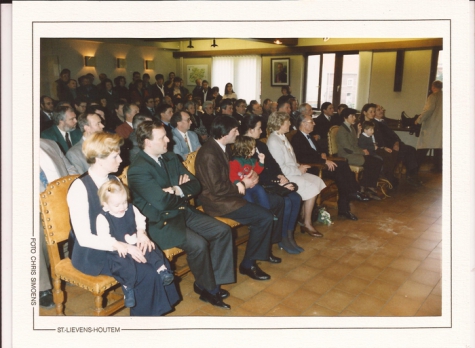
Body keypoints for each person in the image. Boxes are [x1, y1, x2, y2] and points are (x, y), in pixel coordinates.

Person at [67, 132, 178, 316]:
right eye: (115, 156)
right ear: (99, 159)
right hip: (94, 252)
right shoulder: (79, 188)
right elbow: (84, 238)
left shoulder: (114, 180)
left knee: (159, 263)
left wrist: (142, 233)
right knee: (145, 273)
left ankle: (155, 316)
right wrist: (125, 246)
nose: (121, 160)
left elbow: (131, 214)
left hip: (122, 242)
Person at [127, 120, 234, 309]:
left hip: (182, 211)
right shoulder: (138, 169)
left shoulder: (170, 158)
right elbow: (161, 203)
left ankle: (208, 282)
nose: (168, 140)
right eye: (162, 138)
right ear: (147, 142)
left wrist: (176, 189)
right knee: (198, 244)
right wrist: (181, 192)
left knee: (223, 231)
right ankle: (210, 290)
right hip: (160, 222)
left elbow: (195, 184)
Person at [195, 115, 284, 281]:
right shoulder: (209, 154)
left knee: (277, 202)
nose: (238, 133)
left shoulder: (224, 146)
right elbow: (216, 189)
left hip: (232, 194)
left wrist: (253, 176)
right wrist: (243, 183)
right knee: (264, 217)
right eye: (235, 130)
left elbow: (240, 167)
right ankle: (248, 264)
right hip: (220, 202)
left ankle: (265, 250)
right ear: (225, 132)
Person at [96, 179, 175, 308]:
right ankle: (128, 288)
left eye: (124, 202)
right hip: (119, 249)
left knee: (150, 248)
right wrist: (117, 244)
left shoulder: (131, 208)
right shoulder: (103, 217)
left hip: (135, 241)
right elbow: (104, 237)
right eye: (117, 205)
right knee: (123, 265)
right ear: (105, 205)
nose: (122, 207)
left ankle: (162, 270)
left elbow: (140, 221)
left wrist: (141, 232)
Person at [241, 114, 303, 254]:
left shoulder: (260, 145)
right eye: (258, 128)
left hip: (271, 182)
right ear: (250, 130)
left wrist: (280, 176)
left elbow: (273, 164)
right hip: (259, 186)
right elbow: (254, 175)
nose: (261, 131)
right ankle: (281, 237)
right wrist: (276, 181)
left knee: (296, 198)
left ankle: (288, 235)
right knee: (285, 201)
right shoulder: (242, 147)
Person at [291, 113, 369, 221]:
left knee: (342, 174)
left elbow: (318, 149)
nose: (314, 123)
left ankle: (347, 203)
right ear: (303, 124)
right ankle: (351, 196)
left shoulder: (309, 136)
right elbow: (305, 157)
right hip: (313, 168)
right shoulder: (297, 138)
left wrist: (323, 153)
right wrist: (324, 160)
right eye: (311, 122)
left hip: (320, 163)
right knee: (342, 169)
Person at [266, 112, 326, 237]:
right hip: (285, 177)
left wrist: (299, 166)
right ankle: (307, 224)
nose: (290, 124)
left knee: (317, 181)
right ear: (280, 123)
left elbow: (291, 160)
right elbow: (280, 168)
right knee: (312, 188)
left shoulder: (282, 137)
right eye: (287, 122)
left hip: (293, 172)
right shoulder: (274, 141)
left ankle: (304, 216)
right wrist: (298, 170)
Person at [39, 139, 79, 308]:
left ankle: (67, 270)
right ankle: (42, 288)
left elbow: (70, 168)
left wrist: (67, 189)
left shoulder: (50, 144)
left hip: (62, 198)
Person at [336, 108, 383, 199]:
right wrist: (362, 151)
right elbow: (347, 148)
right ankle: (366, 187)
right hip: (345, 155)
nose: (355, 118)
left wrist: (362, 149)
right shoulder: (342, 130)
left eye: (355, 116)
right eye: (352, 116)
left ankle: (367, 186)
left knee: (377, 161)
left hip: (353, 152)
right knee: (372, 161)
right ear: (345, 117)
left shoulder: (351, 127)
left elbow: (355, 144)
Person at [374, 104, 421, 186]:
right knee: (409, 151)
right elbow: (380, 139)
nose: (382, 110)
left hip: (395, 144)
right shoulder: (374, 124)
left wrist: (397, 142)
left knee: (411, 150)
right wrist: (391, 146)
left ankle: (411, 175)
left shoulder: (383, 121)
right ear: (373, 112)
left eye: (381, 108)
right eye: (379, 109)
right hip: (387, 147)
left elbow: (393, 135)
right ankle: (410, 176)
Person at [361, 103, 399, 187]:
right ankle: (384, 177)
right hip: (367, 149)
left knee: (391, 153)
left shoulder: (375, 124)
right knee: (385, 156)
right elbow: (360, 141)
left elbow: (379, 139)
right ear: (364, 112)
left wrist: (384, 147)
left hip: (376, 147)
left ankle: (387, 177)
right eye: (371, 112)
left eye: (374, 111)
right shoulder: (361, 125)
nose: (373, 114)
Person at [229, 135, 270, 210]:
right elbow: (232, 175)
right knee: (249, 199)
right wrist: (239, 184)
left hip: (251, 184)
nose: (254, 149)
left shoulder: (251, 160)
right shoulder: (235, 161)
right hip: (242, 187)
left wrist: (261, 161)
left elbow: (257, 171)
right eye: (253, 147)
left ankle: (267, 210)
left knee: (260, 190)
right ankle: (256, 213)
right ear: (244, 148)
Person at [415, 80, 443, 173]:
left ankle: (415, 167)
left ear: (433, 87)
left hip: (431, 126)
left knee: (423, 147)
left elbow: (428, 110)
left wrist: (419, 120)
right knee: (439, 148)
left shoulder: (433, 96)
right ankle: (438, 168)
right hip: (441, 126)